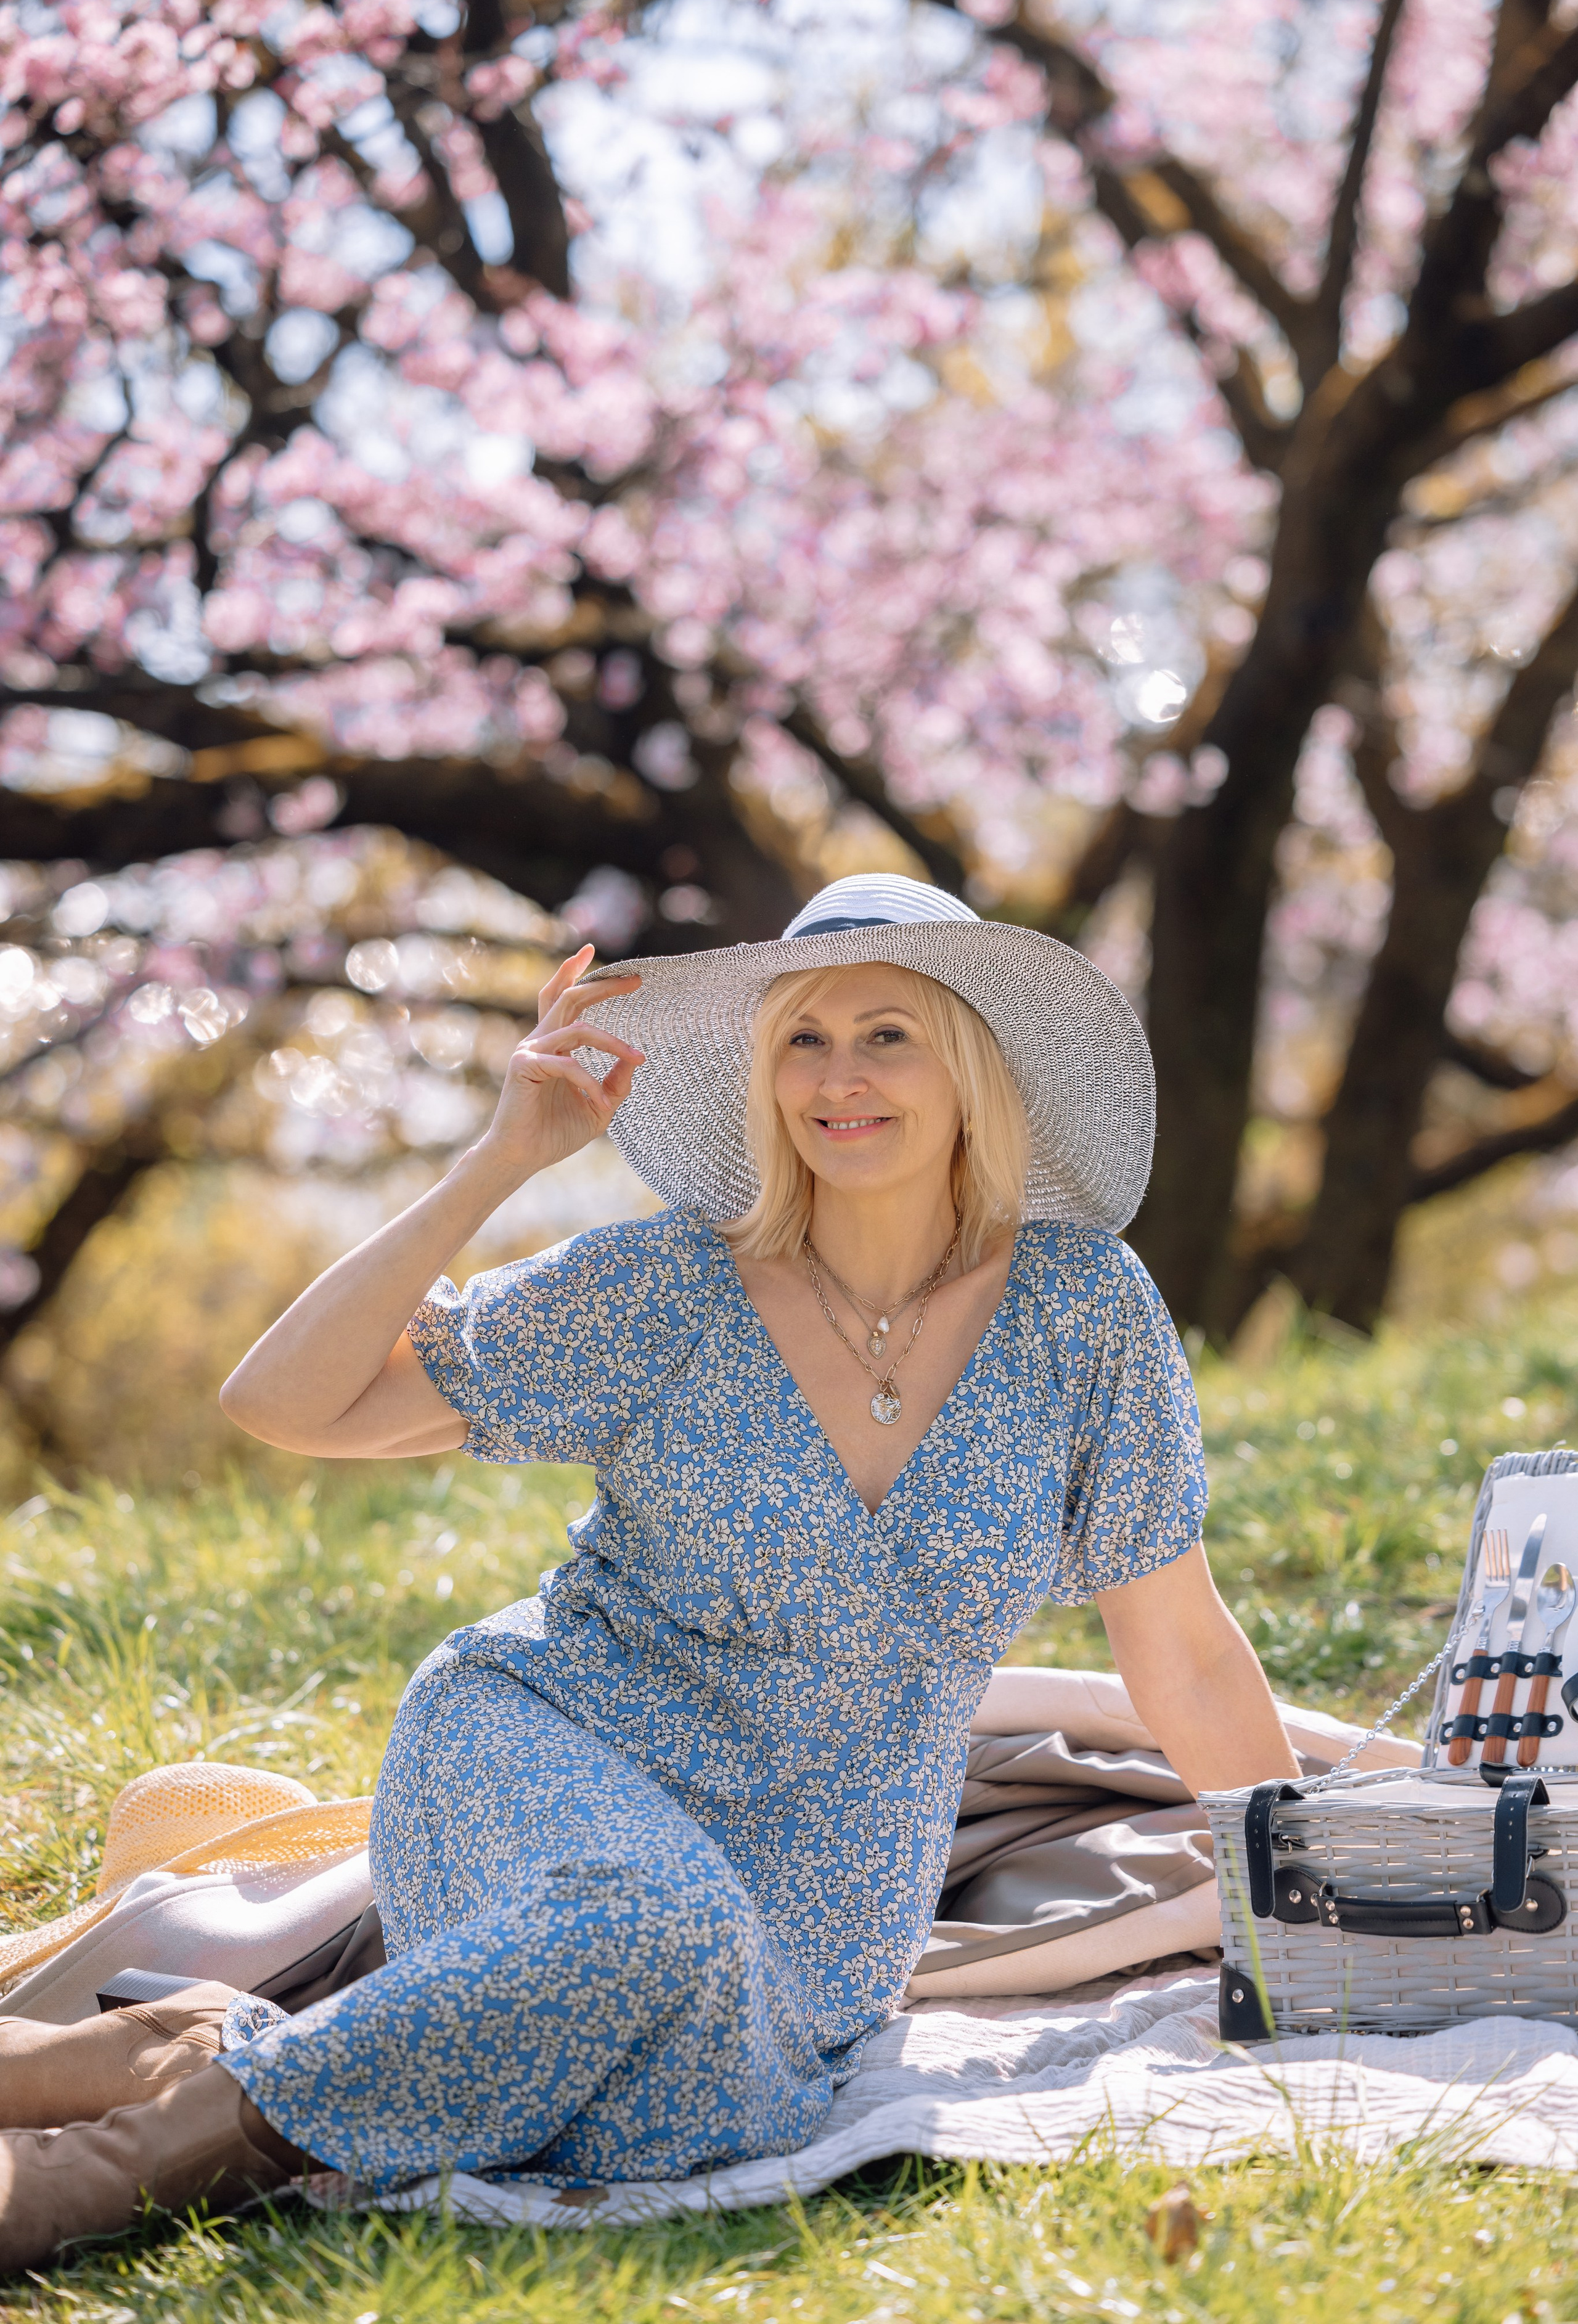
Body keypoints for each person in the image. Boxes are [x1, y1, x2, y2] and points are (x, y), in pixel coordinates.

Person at [0, 873, 1299, 2267]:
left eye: (886, 1035)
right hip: (546, 1738)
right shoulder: (664, 1286)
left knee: (660, 2119)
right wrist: (503, 1156)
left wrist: (1299, 1912)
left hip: (828, 1875)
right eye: (801, 1037)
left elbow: (1182, 1646)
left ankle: (194, 2052)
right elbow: (286, 1400)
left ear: (973, 1071)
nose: (837, 1078)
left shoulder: (1083, 1309)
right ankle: (97, 2178)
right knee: (640, 1920)